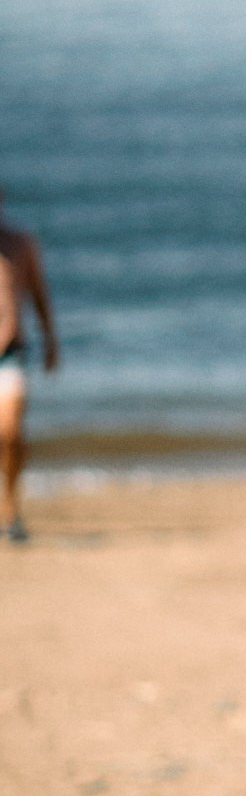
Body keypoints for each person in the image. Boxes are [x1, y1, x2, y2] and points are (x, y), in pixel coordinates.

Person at [0, 191, 60, 546]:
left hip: (11, 350)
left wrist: (50, 338)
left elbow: (38, 293)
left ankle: (11, 507)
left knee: (10, 432)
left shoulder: (20, 244)